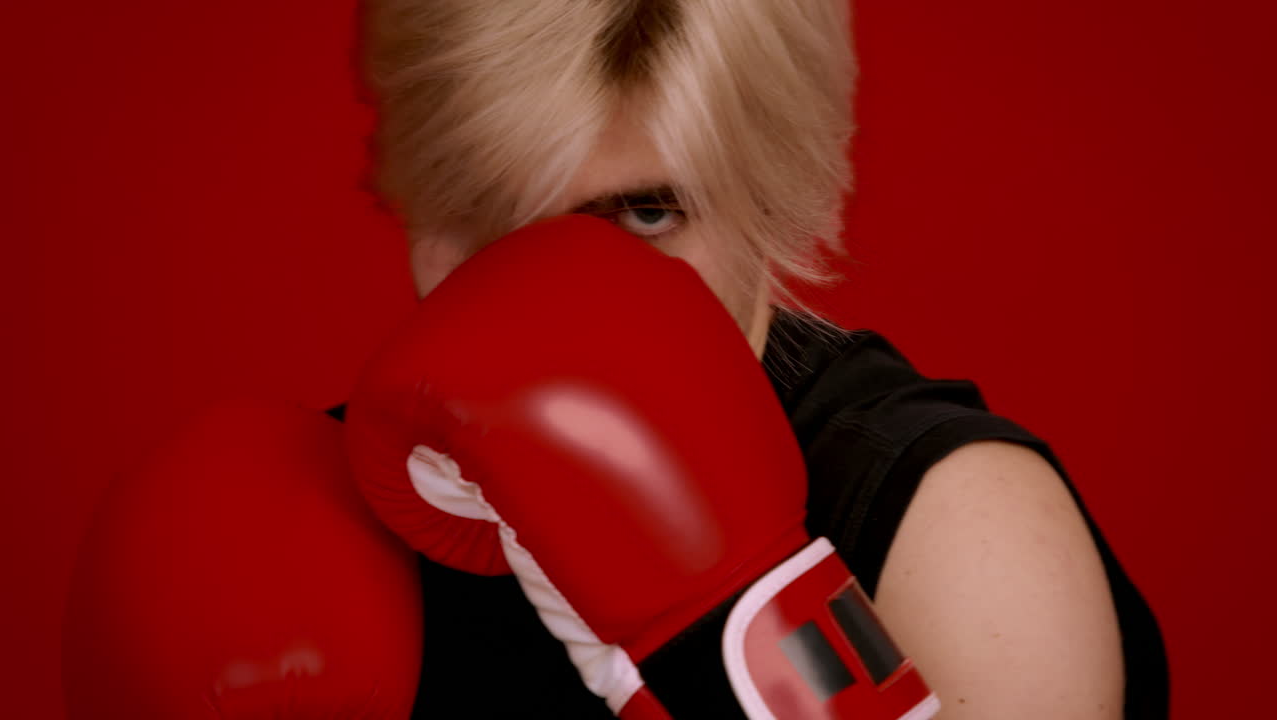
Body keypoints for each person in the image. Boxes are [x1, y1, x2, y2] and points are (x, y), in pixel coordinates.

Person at [343, 0, 1168, 717]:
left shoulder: (957, 529)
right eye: (497, 214)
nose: (569, 287)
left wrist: (753, 656)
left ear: (768, 201)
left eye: (645, 214)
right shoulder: (330, 509)